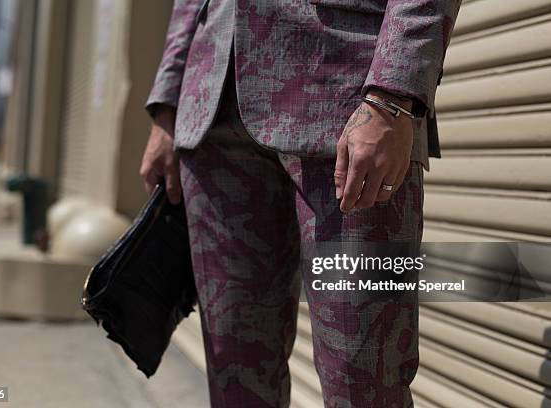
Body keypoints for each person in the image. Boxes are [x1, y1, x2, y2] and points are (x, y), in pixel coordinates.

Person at [140, 1, 461, 407]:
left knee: (363, 380)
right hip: (212, 101)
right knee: (235, 373)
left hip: (347, 99)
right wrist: (167, 101)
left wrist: (393, 95)